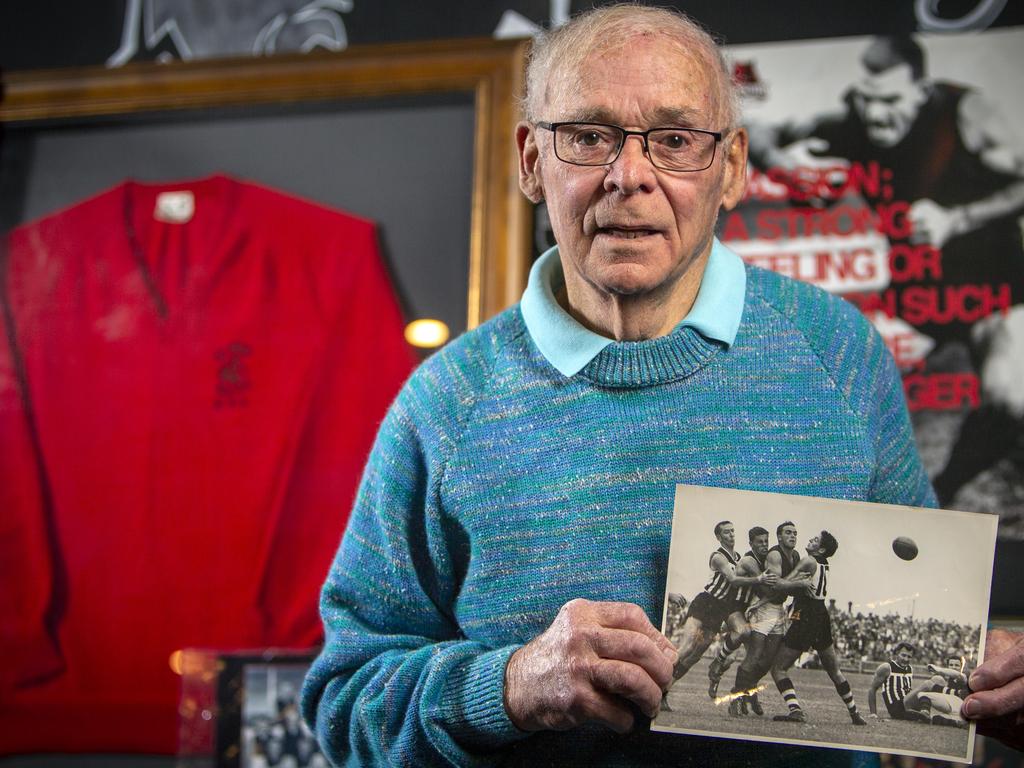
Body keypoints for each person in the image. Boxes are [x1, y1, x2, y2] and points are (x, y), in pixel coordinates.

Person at [300, 5, 1024, 765]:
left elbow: (921, 654)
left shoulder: (840, 354)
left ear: (734, 168)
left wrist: (991, 690)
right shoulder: (445, 406)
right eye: (587, 136)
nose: (630, 176)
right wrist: (508, 685)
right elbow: (345, 701)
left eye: (676, 141)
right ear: (530, 161)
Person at [746, 35, 1024, 508]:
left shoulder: (967, 114)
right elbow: (752, 128)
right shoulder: (855, 122)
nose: (876, 116)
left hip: (992, 292)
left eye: (891, 101)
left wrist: (956, 218)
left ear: (922, 91)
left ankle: (946, 495)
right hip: (915, 298)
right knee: (810, 392)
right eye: (867, 101)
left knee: (1009, 399)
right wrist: (782, 165)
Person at [660, 521, 775, 711]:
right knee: (687, 647)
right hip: (705, 602)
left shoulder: (738, 557)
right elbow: (733, 580)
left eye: (732, 531)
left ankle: (664, 692)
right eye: (726, 532)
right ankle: (655, 680)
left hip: (719, 610)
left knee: (695, 656)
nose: (731, 535)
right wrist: (759, 579)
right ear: (719, 537)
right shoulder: (718, 557)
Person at [770, 531, 867, 726]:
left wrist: (776, 578)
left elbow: (782, 583)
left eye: (815, 540)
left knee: (778, 668)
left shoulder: (809, 561)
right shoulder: (824, 562)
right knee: (835, 671)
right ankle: (855, 713)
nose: (810, 539)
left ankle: (795, 710)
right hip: (821, 614)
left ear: (821, 548)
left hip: (807, 614)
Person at [717, 520, 813, 714]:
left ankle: (746, 692)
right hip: (764, 608)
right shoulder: (775, 554)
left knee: (767, 661)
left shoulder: (794, 555)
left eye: (795, 532)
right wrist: (800, 584)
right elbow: (776, 586)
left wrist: (799, 587)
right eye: (788, 532)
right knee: (754, 656)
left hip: (778, 609)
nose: (792, 536)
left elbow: (787, 588)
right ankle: (736, 697)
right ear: (779, 537)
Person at [867, 644, 970, 728]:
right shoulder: (886, 667)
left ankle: (949, 714)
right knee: (927, 684)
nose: (906, 659)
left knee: (938, 679)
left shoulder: (909, 668)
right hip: (897, 707)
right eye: (903, 655)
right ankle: (959, 694)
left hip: (908, 704)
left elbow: (906, 689)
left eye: (909, 657)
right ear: (896, 654)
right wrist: (873, 713)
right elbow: (872, 689)